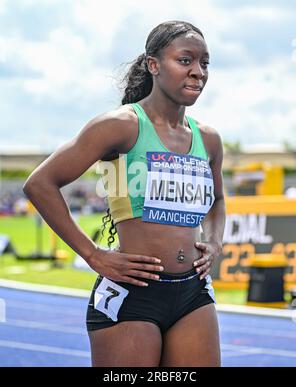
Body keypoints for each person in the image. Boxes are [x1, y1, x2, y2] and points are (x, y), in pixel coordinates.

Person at [23, 20, 226, 367]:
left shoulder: (208, 139)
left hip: (193, 293)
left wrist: (216, 240)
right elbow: (40, 184)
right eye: (185, 60)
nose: (198, 72)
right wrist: (93, 254)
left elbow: (218, 199)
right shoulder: (121, 126)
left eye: (204, 63)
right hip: (132, 293)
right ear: (154, 65)